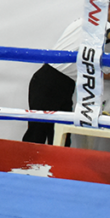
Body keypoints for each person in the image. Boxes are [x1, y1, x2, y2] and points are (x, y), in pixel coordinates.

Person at [22, 18, 110, 146]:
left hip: (64, 85)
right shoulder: (93, 23)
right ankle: (26, 165)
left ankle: (56, 165)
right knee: (38, 132)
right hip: (49, 80)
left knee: (61, 134)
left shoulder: (94, 43)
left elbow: (100, 71)